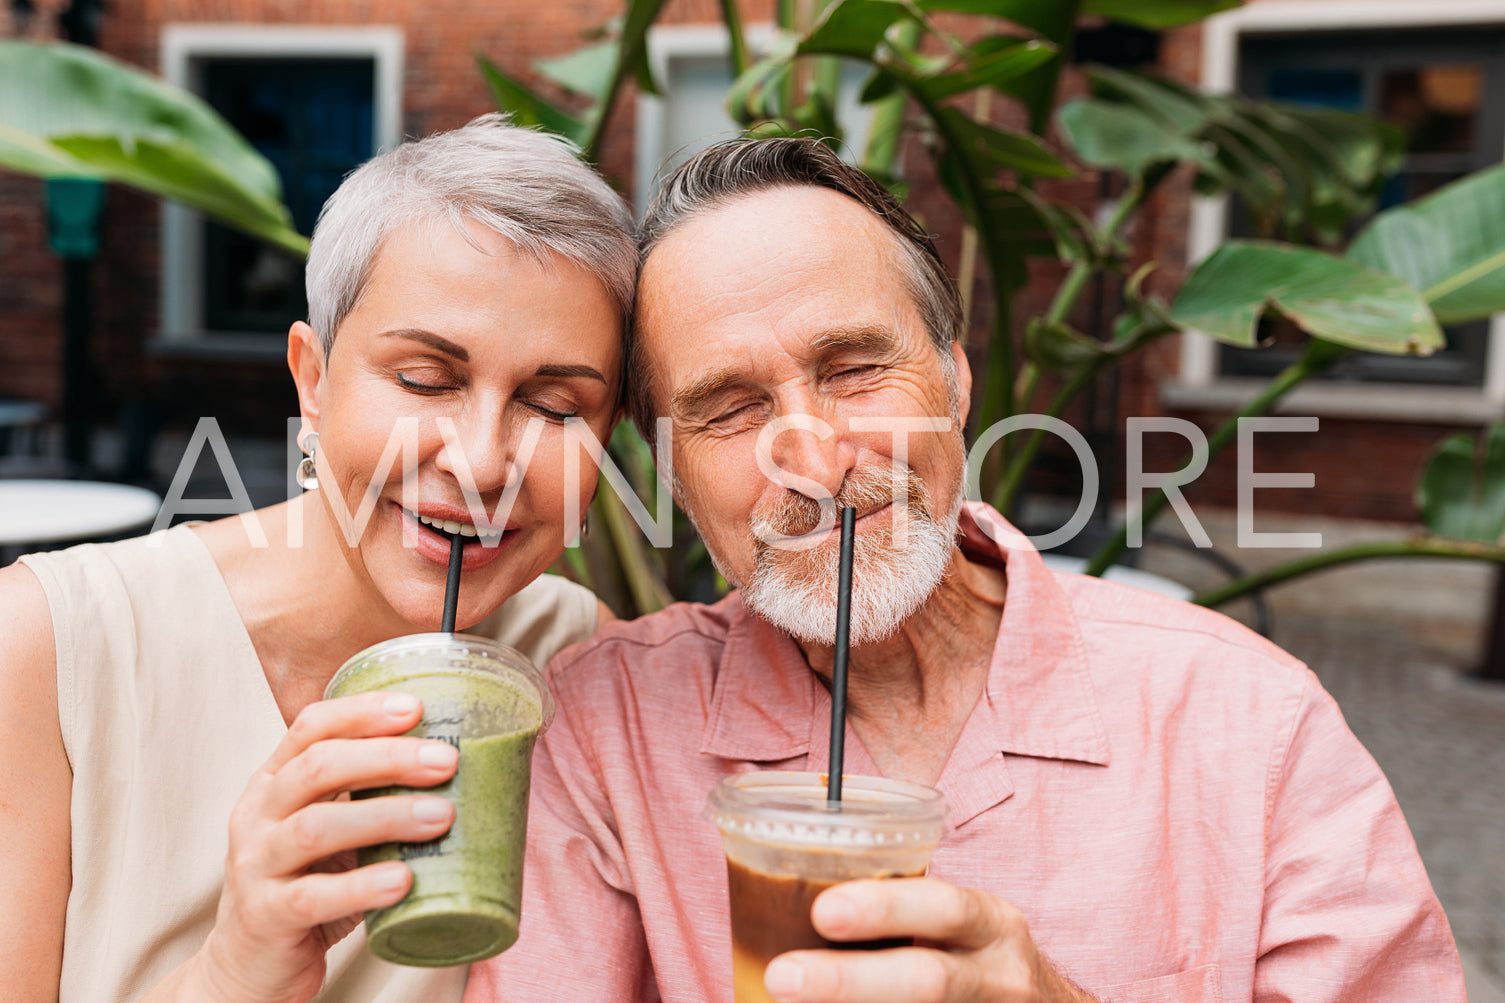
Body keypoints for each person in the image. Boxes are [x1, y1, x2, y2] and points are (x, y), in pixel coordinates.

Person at [465, 137, 1466, 1002]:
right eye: (728, 408)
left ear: (953, 377)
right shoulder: (606, 733)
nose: (811, 460)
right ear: (669, 466)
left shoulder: (1245, 721)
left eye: (854, 368)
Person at [0, 114, 637, 1003]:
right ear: (314, 378)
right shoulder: (43, 649)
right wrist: (231, 971)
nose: (484, 461)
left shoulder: (580, 663)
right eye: (425, 380)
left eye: (555, 403)